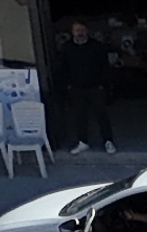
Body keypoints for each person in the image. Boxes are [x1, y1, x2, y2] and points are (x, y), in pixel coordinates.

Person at [50, 17, 116, 153]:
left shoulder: (96, 46)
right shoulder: (67, 47)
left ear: (87, 31)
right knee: (79, 116)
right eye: (76, 30)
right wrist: (67, 86)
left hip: (95, 87)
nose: (79, 33)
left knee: (101, 115)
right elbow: (62, 68)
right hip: (76, 88)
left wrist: (103, 85)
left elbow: (104, 66)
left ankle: (108, 141)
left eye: (82, 30)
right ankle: (83, 141)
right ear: (72, 32)